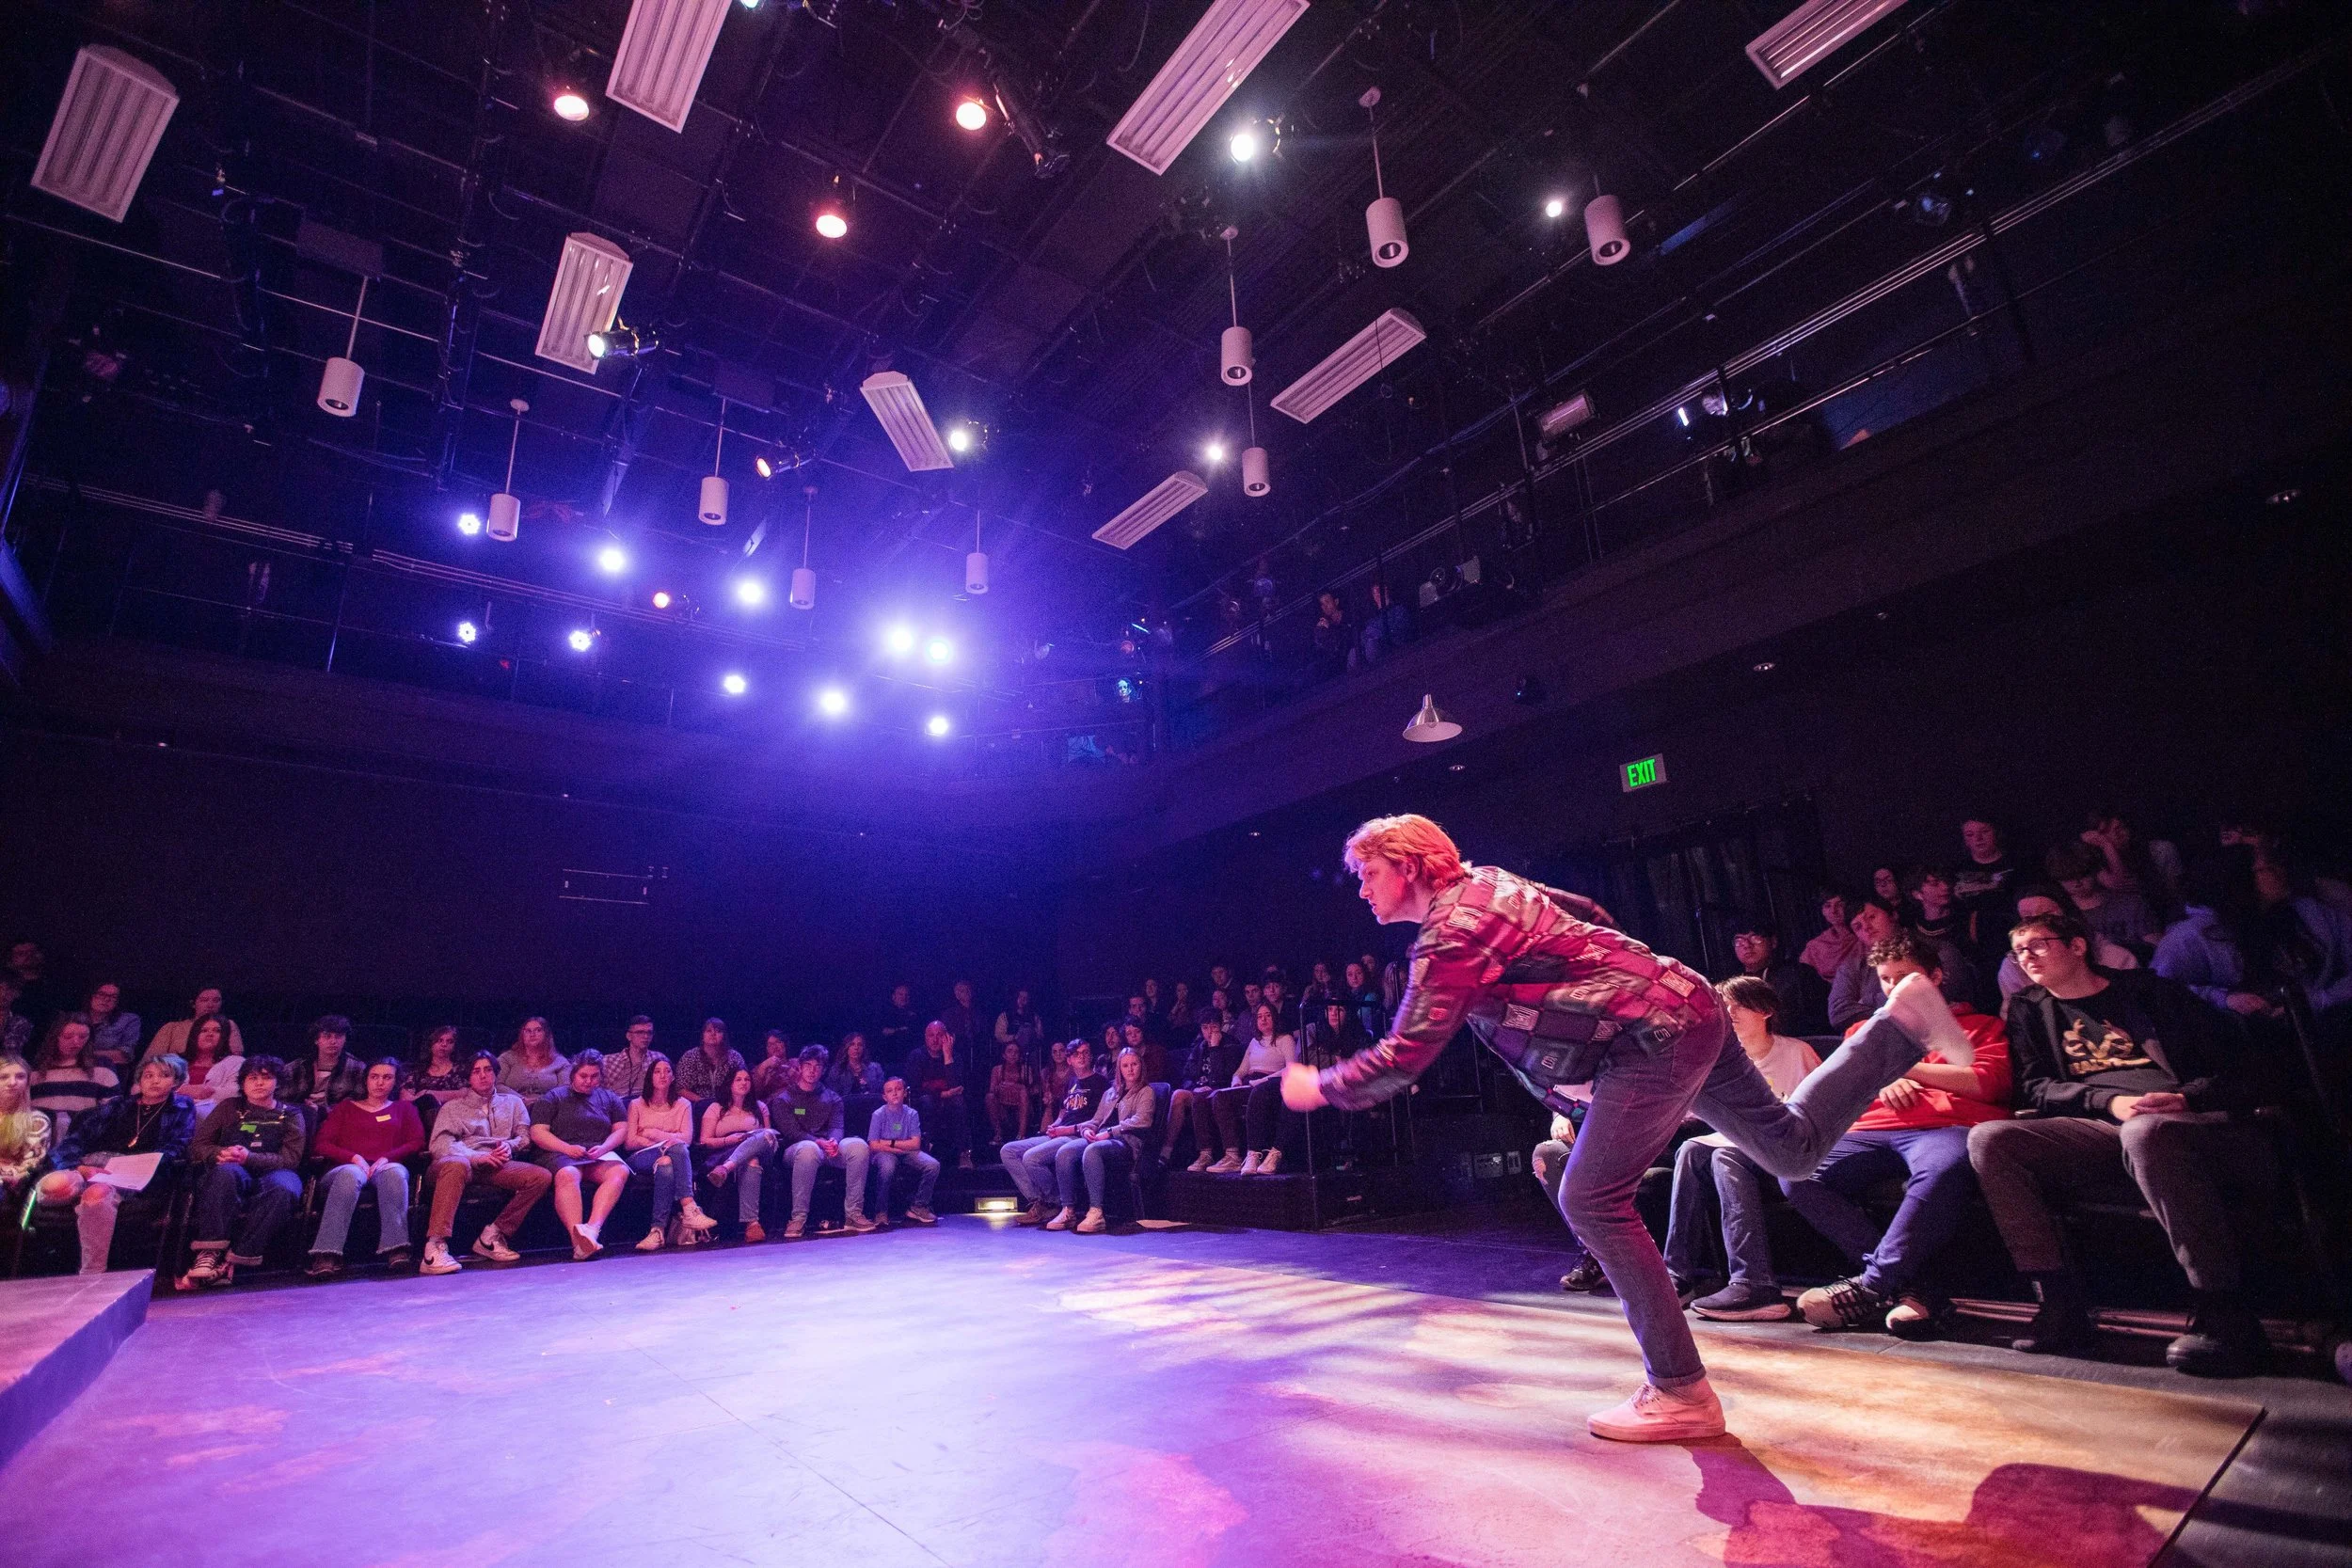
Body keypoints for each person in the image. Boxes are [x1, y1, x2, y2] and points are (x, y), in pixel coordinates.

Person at [1283, 815, 1970, 1441]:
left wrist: (1322, 1084)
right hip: (1688, 1001)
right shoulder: (1492, 881)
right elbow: (1589, 911)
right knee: (1790, 1150)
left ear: (1407, 865)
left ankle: (1681, 1389)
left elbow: (1406, 1052)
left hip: (1649, 1038)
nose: (1362, 890)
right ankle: (1899, 1024)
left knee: (1590, 1197)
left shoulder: (1450, 933)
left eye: (1369, 873)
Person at [1970, 911, 2273, 1375]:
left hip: (2185, 1118)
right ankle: (2058, 1302)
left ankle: (2225, 1312)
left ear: (2077, 946)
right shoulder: (2029, 1008)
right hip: (2102, 1122)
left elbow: (2238, 1068)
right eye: (2018, 951)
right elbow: (2034, 1087)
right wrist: (2108, 1102)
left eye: (2038, 945)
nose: (2026, 957)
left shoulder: (2149, 992)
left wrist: (2184, 1098)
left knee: (2145, 1131)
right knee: (1990, 1139)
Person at [1780, 935, 2011, 1338]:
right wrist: (1881, 1076)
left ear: (1934, 977)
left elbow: (1986, 1084)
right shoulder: (1863, 1030)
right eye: (1886, 979)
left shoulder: (1981, 1025)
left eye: (1904, 976)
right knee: (1797, 1171)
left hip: (1945, 1126)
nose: (1893, 987)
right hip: (1872, 1129)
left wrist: (1899, 1068)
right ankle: (1911, 1288)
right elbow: (1840, 1088)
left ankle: (1873, 1284)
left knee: (1944, 1169)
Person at [1667, 978, 1820, 1323]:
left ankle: (1754, 1283)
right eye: (1724, 1005)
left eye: (1739, 1005)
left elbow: (1817, 1112)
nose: (1729, 1012)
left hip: (1781, 1150)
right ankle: (1678, 1274)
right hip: (1735, 1143)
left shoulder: (1796, 1052)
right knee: (1690, 1149)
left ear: (1765, 1011)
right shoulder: (1721, 1059)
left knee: (1726, 1156)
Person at [36, 1053, 198, 1273]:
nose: (155, 1081)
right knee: (53, 1186)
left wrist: (140, 1166)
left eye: (164, 1075)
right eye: (148, 1075)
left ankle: (91, 1274)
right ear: (139, 1080)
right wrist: (79, 1167)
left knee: (97, 1194)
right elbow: (73, 1141)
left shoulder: (181, 1107)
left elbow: (177, 1147)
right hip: (89, 1165)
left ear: (176, 1081)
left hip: (133, 1171)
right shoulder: (117, 1106)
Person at [2156, 845, 2352, 1022]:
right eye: (2265, 869)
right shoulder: (2191, 938)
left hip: (2330, 1024)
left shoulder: (2311, 913)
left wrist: (2320, 1001)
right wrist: (2224, 999)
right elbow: (2158, 993)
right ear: (2239, 881)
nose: (2279, 871)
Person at [183, 1056, 307, 1289]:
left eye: (266, 1078)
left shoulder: (291, 1114)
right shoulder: (229, 1107)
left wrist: (250, 1157)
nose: (259, 1083)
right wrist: (218, 1153)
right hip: (233, 1169)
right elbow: (199, 1145)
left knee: (285, 1188)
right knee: (225, 1173)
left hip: (276, 1170)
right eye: (252, 1078)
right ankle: (209, 1252)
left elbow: (290, 1159)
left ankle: (237, 1258)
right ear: (243, 1083)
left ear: (277, 1082)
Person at [421, 1053, 550, 1275]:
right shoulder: (453, 1107)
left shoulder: (513, 1103)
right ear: (468, 1077)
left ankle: (492, 1236)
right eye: (476, 1071)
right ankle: (435, 1247)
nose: (483, 1075)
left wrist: (509, 1146)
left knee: (541, 1176)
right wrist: (475, 1157)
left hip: (495, 1162)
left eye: (488, 1070)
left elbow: (524, 1136)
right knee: (458, 1165)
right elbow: (440, 1146)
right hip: (456, 1164)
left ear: (495, 1074)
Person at [306, 1058, 425, 1276]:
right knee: (351, 1174)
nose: (380, 1082)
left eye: (387, 1077)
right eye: (374, 1077)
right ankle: (326, 1253)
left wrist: (387, 1158)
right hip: (345, 1167)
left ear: (395, 1081)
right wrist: (354, 1158)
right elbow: (322, 1144)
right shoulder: (345, 1108)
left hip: (386, 1166)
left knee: (395, 1173)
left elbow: (416, 1142)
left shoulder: (404, 1109)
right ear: (366, 1080)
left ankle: (396, 1248)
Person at [529, 1052, 630, 1260]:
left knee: (620, 1170)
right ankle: (578, 1243)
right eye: (583, 1076)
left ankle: (591, 1230)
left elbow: (621, 1129)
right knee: (568, 1174)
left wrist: (604, 1148)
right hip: (560, 1152)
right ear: (573, 1075)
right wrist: (567, 1148)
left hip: (596, 1153)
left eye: (594, 1076)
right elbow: (538, 1132)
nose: (589, 1081)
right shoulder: (554, 1097)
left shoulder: (609, 1098)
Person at [1048, 1046, 1156, 1233]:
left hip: (1126, 1141)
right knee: (1065, 1151)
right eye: (1125, 1066)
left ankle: (1096, 1213)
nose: (1130, 1069)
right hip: (1101, 1136)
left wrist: (1109, 1133)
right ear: (1119, 1069)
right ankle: (1068, 1210)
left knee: (1092, 1151)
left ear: (1141, 1066)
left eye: (1134, 1064)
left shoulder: (1146, 1091)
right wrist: (1087, 1130)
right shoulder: (1110, 1093)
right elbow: (1096, 1120)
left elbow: (1142, 1120)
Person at [767, 1047, 872, 1238]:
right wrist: (819, 1142)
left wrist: (834, 1141)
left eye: (817, 1066)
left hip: (827, 1148)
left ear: (823, 1070)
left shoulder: (832, 1097)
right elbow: (792, 1133)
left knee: (859, 1146)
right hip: (797, 1149)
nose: (812, 1070)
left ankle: (854, 1214)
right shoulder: (784, 1099)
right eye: (808, 1065)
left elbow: (837, 1126)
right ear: (800, 1068)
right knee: (809, 1149)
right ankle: (798, 1218)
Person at [1827, 895, 1975, 1028]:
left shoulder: (1939, 951)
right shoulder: (1853, 966)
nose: (1866, 927)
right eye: (1858, 927)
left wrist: (1867, 1000)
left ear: (1893, 915)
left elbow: (1941, 996)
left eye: (1871, 917)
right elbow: (1838, 1014)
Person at [1002, 1040, 1105, 1227]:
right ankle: (1040, 1200)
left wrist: (1065, 1130)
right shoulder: (1071, 1082)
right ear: (1069, 1060)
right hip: (1061, 1132)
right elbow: (1063, 1113)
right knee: (1008, 1151)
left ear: (1090, 1056)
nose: (1081, 1057)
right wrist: (1054, 1126)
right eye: (1076, 1054)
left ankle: (1056, 1202)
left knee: (1031, 1158)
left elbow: (1099, 1120)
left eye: (1085, 1052)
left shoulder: (1100, 1082)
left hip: (1077, 1135)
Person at [625, 1053, 717, 1250]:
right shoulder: (636, 1104)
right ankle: (689, 1206)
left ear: (673, 1077)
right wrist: (664, 1141)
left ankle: (657, 1231)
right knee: (677, 1147)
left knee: (667, 1163)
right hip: (642, 1155)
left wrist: (653, 1133)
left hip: (669, 1157)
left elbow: (687, 1139)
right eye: (657, 1071)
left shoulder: (683, 1104)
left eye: (667, 1071)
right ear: (650, 1077)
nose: (663, 1075)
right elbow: (630, 1142)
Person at [1995, 886, 2137, 1003]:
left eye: (2046, 915)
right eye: (2027, 918)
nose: (2036, 925)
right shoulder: (2013, 967)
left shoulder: (2115, 957)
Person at [1207, 1004, 1297, 1176]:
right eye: (1259, 1016)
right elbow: (1240, 1071)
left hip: (1272, 1083)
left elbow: (1291, 1068)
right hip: (1251, 1083)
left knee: (1258, 1092)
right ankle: (1232, 1155)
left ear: (1275, 1018)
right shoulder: (1254, 1042)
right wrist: (1236, 1081)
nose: (1263, 1019)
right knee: (1220, 1097)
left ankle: (1254, 1154)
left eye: (1267, 1015)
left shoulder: (1285, 1039)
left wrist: (1261, 1081)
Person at [1533, 1115, 1610, 1294]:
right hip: (1606, 1145)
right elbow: (1572, 1099)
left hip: (1650, 1140)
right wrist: (1560, 1114)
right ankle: (1594, 1252)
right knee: (1547, 1153)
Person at [2047, 843, 2163, 957]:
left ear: (2095, 872)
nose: (2077, 883)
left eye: (2082, 874)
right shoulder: (2062, 916)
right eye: (2068, 878)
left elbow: (2157, 950)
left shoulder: (2131, 905)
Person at [700, 1068, 776, 1241]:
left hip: (759, 1150)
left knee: (766, 1135)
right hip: (726, 1150)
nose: (743, 1083)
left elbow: (768, 1137)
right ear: (730, 1084)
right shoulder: (716, 1108)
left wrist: (750, 1140)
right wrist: (729, 1140)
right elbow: (704, 1140)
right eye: (738, 1079)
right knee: (751, 1161)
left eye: (747, 1079)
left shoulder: (760, 1107)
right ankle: (752, 1224)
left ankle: (726, 1169)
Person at [2082, 808, 2185, 920]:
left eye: (2119, 828)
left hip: (2169, 916)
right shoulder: (2098, 865)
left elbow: (2176, 895)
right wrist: (2107, 845)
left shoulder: (2160, 851)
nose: (2116, 835)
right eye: (2106, 832)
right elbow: (2119, 883)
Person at [29, 1013, 119, 1139]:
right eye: (68, 1036)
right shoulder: (35, 1067)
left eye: (83, 1037)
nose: (76, 1042)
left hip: (81, 1136)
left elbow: (113, 1108)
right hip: (39, 1133)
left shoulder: (102, 1066)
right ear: (56, 1036)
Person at [1172, 1012, 1245, 1169]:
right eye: (1205, 1028)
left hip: (1221, 1090)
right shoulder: (1199, 1047)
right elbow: (1186, 1076)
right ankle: (1169, 1152)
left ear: (1221, 1026)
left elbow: (1224, 1077)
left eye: (1214, 1027)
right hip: (1200, 1089)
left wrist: (1215, 1048)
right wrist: (1194, 1087)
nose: (1210, 1032)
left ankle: (1218, 1154)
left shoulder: (1231, 1044)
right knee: (1179, 1095)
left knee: (1201, 1099)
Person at [866, 1076, 940, 1226]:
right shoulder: (878, 1115)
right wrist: (894, 1148)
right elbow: (873, 1145)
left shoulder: (912, 1114)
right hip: (884, 1152)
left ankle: (918, 1206)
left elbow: (916, 1144)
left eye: (898, 1089)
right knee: (887, 1167)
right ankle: (881, 1211)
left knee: (933, 1165)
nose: (894, 1093)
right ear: (884, 1097)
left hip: (905, 1152)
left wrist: (890, 1142)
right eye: (890, 1091)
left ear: (905, 1093)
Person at [1729, 920, 1819, 1032]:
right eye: (1739, 941)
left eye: (1755, 938)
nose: (1747, 945)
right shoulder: (1733, 984)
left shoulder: (1798, 974)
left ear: (1773, 942)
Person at [904, 1021, 971, 1169]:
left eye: (939, 1035)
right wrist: (943, 1094)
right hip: (925, 1101)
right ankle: (927, 1150)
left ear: (947, 1037)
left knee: (959, 1102)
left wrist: (947, 1056)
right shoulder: (916, 1056)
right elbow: (915, 1088)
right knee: (927, 1101)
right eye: (931, 1035)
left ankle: (963, 1153)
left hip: (950, 1100)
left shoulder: (955, 1057)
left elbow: (956, 1086)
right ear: (925, 1037)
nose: (935, 1040)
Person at [284, 1015, 368, 1111]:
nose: (333, 1041)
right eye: (327, 1036)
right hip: (301, 1114)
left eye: (338, 1037)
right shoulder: (297, 1066)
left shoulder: (357, 1068)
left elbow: (358, 1101)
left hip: (338, 1115)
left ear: (345, 1039)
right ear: (316, 1040)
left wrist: (322, 1110)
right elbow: (281, 1098)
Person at [0, 1053, 52, 1202]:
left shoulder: (38, 1121)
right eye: (3, 1077)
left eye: (20, 1076)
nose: (12, 1082)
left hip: (9, 1189)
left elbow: (28, 1167)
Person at [172, 1015, 243, 1121]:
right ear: (195, 1035)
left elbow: (235, 1091)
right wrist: (181, 1089)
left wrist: (208, 1090)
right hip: (172, 1118)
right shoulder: (174, 1061)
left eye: (217, 1031)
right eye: (204, 1030)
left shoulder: (236, 1062)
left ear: (224, 1036)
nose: (210, 1034)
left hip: (215, 1119)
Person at [148, 988, 246, 1061]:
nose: (210, 1005)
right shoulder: (172, 1028)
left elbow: (236, 1058)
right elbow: (152, 1059)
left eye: (216, 1000)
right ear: (193, 1003)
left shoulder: (228, 1024)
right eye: (204, 1000)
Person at [496, 1017, 568, 1105]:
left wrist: (541, 1102)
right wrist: (520, 1100)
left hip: (547, 1108)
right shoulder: (507, 1058)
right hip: (512, 1107)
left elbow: (564, 1091)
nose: (532, 1034)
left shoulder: (560, 1063)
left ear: (546, 1034)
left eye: (538, 1030)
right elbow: (497, 1084)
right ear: (522, 1035)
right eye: (528, 1031)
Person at [676, 1018, 747, 1103]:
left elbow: (745, 1082)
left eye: (718, 1031)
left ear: (723, 1037)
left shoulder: (734, 1057)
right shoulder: (690, 1057)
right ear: (702, 1036)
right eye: (709, 1031)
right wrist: (703, 1102)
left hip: (728, 1104)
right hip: (698, 1105)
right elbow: (680, 1089)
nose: (713, 1034)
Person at [1800, 893, 1859, 986]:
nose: (1833, 911)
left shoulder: (1864, 936)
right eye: (1828, 906)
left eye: (1840, 905)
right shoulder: (1815, 946)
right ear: (1823, 911)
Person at [404, 1025, 469, 1110]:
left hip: (452, 1114)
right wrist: (426, 1101)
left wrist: (428, 1093)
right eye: (439, 1040)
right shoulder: (417, 1069)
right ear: (431, 1043)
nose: (444, 1044)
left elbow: (465, 1094)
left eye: (450, 1041)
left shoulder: (461, 1070)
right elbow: (405, 1098)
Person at [83, 983, 143, 1072]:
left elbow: (124, 1055)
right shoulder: (75, 1019)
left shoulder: (128, 1020)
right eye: (101, 994)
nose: (107, 999)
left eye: (113, 997)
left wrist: (82, 1055)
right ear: (91, 996)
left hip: (109, 1070)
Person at [987, 1040, 1035, 1145]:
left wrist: (1016, 1087)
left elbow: (1031, 1090)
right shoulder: (997, 1070)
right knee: (989, 1097)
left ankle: (1021, 1135)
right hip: (1003, 1110)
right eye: (1009, 1051)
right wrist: (1001, 1089)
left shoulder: (1025, 1069)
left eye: (1016, 1052)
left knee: (1023, 1092)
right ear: (1004, 1055)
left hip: (1021, 1111)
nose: (1013, 1054)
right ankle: (998, 1134)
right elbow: (992, 1090)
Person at [601, 1016, 658, 1101]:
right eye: (640, 1032)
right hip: (616, 1104)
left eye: (649, 1032)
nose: (646, 1036)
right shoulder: (608, 1061)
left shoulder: (657, 1059)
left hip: (647, 1104)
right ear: (629, 1036)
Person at [827, 1033, 885, 1100]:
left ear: (863, 1048)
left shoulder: (876, 1068)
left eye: (860, 1045)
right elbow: (833, 1095)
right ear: (846, 1047)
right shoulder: (836, 1070)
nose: (856, 1048)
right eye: (852, 1044)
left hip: (871, 1104)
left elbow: (880, 1093)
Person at [877, 983, 921, 1062]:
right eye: (900, 994)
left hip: (909, 1057)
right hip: (890, 1057)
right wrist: (899, 1030)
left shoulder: (913, 1015)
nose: (904, 997)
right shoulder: (886, 1013)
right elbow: (882, 1031)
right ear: (893, 997)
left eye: (906, 995)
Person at [753, 1029, 799, 1103]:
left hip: (796, 1107)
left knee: (803, 1109)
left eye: (778, 1042)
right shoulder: (761, 1068)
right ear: (766, 1049)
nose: (775, 1046)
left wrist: (791, 1072)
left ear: (785, 1045)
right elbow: (754, 1094)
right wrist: (764, 1066)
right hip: (770, 1107)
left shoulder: (797, 1063)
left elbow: (808, 1086)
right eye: (770, 1044)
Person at [997, 989, 1043, 1055]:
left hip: (1030, 1051)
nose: (1022, 1000)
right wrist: (1015, 1037)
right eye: (1020, 997)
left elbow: (1040, 1035)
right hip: (1011, 1052)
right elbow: (999, 1036)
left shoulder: (1034, 1017)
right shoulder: (1005, 1016)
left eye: (1025, 998)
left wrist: (1030, 1034)